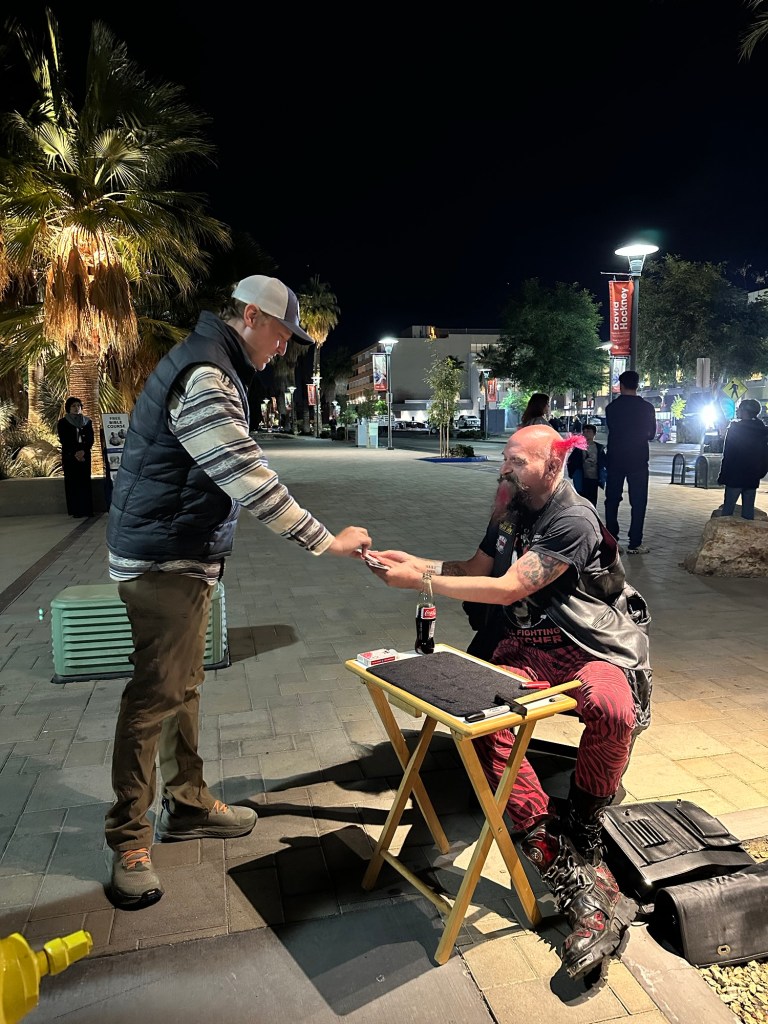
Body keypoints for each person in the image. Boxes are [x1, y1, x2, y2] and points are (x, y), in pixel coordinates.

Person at [105, 274, 372, 910]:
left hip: (180, 555)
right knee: (155, 694)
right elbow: (247, 476)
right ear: (251, 316)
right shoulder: (206, 374)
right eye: (281, 333)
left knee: (182, 685)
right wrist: (326, 541)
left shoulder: (210, 362)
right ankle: (129, 839)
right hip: (163, 560)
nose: (284, 347)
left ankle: (188, 803)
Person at [366, 425, 651, 981]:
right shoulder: (510, 509)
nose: (506, 469)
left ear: (554, 465)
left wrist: (418, 584)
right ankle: (559, 856)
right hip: (524, 649)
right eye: (506, 459)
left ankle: (586, 823)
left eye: (519, 461)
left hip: (589, 648)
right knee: (482, 722)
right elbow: (477, 571)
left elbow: (508, 588)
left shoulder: (574, 518)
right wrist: (416, 564)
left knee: (612, 708)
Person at [603, 370, 656, 555]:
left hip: (615, 458)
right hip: (638, 459)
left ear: (621, 385)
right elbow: (651, 434)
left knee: (612, 500)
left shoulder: (612, 408)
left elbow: (611, 428)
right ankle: (635, 542)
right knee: (639, 501)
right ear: (637, 385)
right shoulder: (647, 408)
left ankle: (612, 541)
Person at [716, 398, 768, 520]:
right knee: (748, 511)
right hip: (752, 477)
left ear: (745, 411)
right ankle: (749, 532)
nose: (737, 411)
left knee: (728, 511)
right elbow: (765, 455)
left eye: (739, 408)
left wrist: (722, 476)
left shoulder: (735, 429)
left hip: (735, 476)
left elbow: (728, 455)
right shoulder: (762, 431)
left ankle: (725, 532)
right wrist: (760, 473)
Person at [57, 397, 94, 518]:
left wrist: (83, 451)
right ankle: (76, 510)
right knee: (73, 482)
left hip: (84, 454)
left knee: (85, 481)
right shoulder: (63, 422)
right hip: (70, 456)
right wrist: (75, 453)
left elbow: (90, 439)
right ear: (68, 408)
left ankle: (87, 509)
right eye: (73, 406)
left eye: (78, 405)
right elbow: (64, 439)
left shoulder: (87, 421)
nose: (76, 408)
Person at [567, 424, 607, 506]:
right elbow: (571, 461)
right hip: (581, 478)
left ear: (594, 434)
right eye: (584, 432)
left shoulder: (599, 448)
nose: (585, 434)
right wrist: (574, 473)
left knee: (592, 501)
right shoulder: (578, 448)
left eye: (588, 431)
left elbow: (604, 462)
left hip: (594, 478)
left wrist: (603, 475)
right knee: (581, 500)